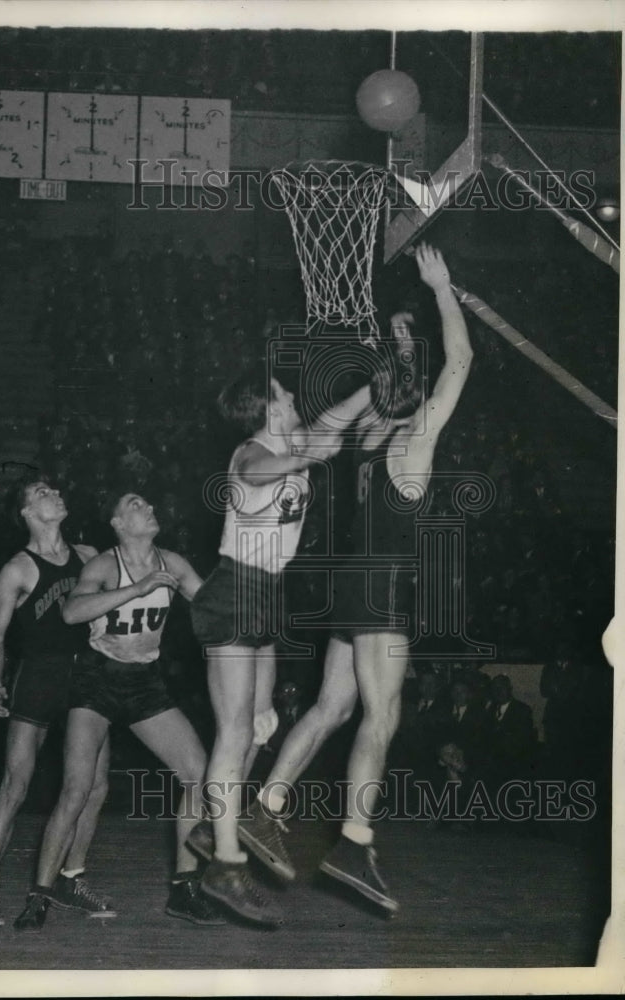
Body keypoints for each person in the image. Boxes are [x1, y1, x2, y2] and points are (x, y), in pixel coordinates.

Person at [233, 244, 473, 915]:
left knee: (331, 707)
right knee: (381, 713)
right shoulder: (416, 433)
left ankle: (267, 805)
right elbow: (461, 360)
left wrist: (396, 341)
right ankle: (355, 843)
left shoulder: (369, 428)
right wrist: (441, 287)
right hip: (382, 581)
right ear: (418, 391)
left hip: (345, 582)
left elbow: (390, 384)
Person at [188, 352, 375, 926]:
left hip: (268, 593)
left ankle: (211, 826)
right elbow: (257, 472)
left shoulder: (293, 441)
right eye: (284, 395)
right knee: (235, 730)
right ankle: (224, 861)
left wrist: (377, 385)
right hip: (236, 589)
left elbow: (335, 420)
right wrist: (309, 453)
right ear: (265, 407)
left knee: (261, 726)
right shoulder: (251, 452)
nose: (294, 399)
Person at [13, 492, 224, 929]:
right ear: (118, 523)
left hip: (144, 684)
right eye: (135, 504)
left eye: (149, 502)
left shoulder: (174, 563)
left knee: (197, 772)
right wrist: (139, 588)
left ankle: (184, 889)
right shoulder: (105, 566)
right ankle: (40, 896)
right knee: (77, 788)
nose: (148, 506)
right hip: (96, 682)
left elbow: (212, 610)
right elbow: (71, 612)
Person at [0, 478, 100, 927]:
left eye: (56, 490)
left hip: (86, 679)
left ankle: (71, 877)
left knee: (93, 787)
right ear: (26, 512)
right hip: (39, 679)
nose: (56, 494)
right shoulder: (18, 569)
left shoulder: (87, 556)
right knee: (15, 787)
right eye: (43, 493)